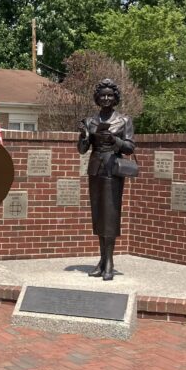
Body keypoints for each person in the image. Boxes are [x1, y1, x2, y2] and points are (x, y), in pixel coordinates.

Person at [77, 78, 135, 281]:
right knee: (99, 214)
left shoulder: (124, 120)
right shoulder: (89, 121)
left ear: (115, 98)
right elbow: (82, 150)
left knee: (111, 215)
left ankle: (109, 262)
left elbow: (130, 147)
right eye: (103, 95)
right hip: (95, 168)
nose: (106, 98)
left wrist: (116, 140)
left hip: (113, 168)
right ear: (97, 98)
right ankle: (102, 260)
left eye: (110, 95)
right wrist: (84, 136)